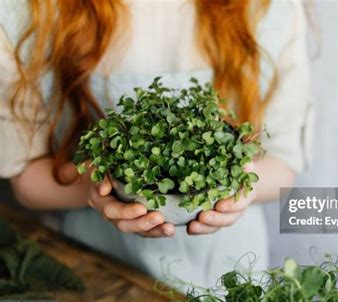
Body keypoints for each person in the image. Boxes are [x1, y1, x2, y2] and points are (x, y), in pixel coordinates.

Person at [0, 0, 312, 287]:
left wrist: (238, 190)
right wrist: (101, 189)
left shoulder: (267, 8)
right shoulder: (29, 11)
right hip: (97, 267)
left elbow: (283, 163)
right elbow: (26, 178)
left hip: (227, 270)